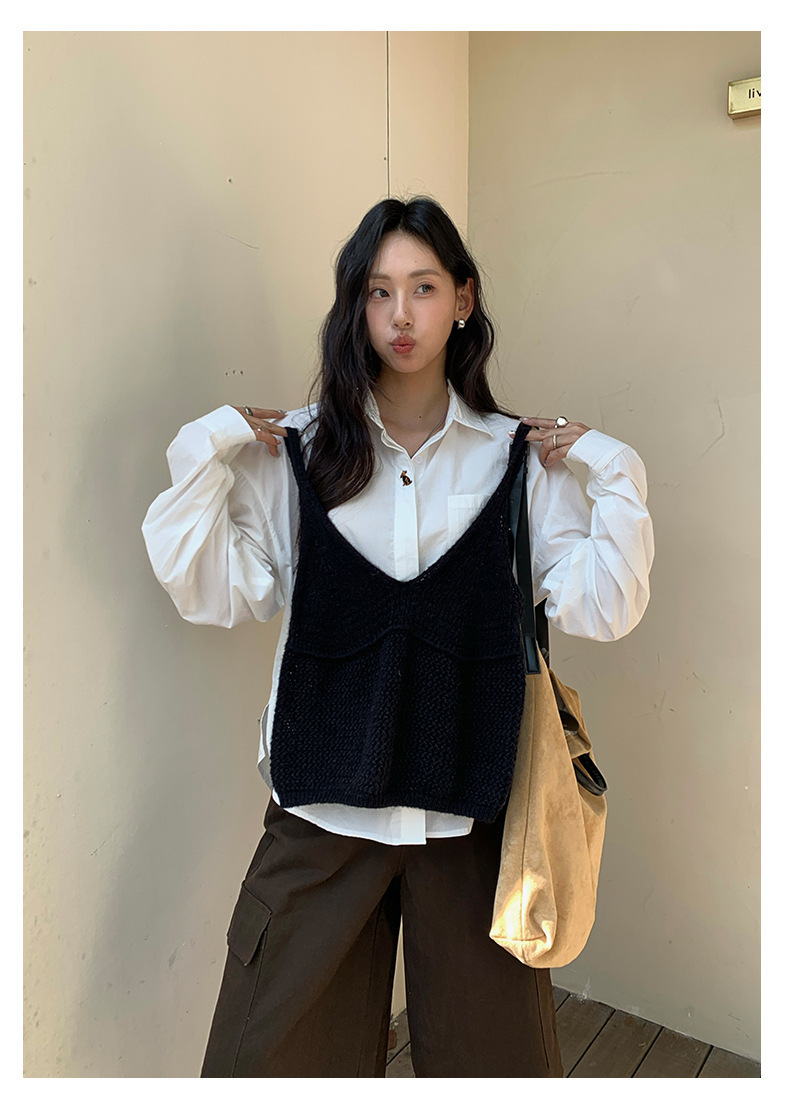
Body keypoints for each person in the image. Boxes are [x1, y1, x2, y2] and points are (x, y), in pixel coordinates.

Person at [142, 196, 654, 1078]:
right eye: (378, 292)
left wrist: (612, 465)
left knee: (498, 1076)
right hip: (321, 823)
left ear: (463, 298)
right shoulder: (302, 453)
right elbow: (209, 589)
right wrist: (211, 443)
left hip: (476, 828)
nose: (400, 315)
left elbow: (606, 608)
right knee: (265, 1071)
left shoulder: (517, 461)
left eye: (422, 287)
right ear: (356, 307)